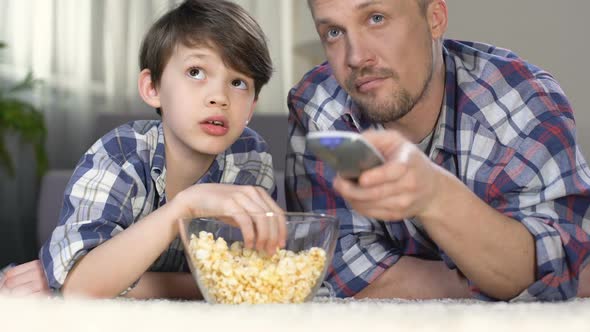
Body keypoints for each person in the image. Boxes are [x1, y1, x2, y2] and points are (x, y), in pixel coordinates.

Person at [285, 0, 590, 301]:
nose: (356, 57)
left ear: (435, 19)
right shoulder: (317, 103)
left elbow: (557, 261)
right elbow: (342, 271)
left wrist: (435, 196)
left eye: (376, 18)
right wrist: (506, 283)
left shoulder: (522, 99)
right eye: (334, 33)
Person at [1, 0, 286, 299]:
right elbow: (80, 286)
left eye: (238, 82)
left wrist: (117, 284)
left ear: (252, 107)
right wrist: (186, 206)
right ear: (152, 88)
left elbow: (253, 277)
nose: (219, 97)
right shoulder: (121, 153)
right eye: (196, 72)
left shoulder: (250, 159)